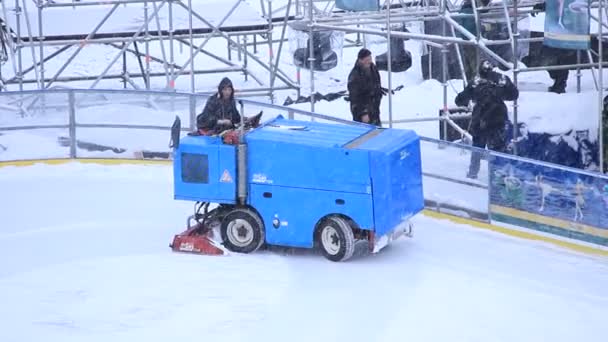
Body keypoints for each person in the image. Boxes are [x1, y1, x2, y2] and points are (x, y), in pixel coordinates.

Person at [455, 60, 519, 179]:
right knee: (489, 153)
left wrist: (506, 85)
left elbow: (459, 100)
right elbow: (459, 100)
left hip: (489, 122)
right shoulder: (492, 82)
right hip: (488, 122)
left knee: (485, 152)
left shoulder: (497, 81)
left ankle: (480, 176)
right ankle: (489, 176)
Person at [347, 48, 385, 126]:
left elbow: (376, 83)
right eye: (367, 59)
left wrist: (378, 92)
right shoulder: (355, 76)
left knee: (376, 132)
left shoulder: (372, 68)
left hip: (374, 108)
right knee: (364, 134)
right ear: (360, 60)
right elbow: (355, 97)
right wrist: (363, 113)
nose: (369, 61)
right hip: (362, 112)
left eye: (370, 59)